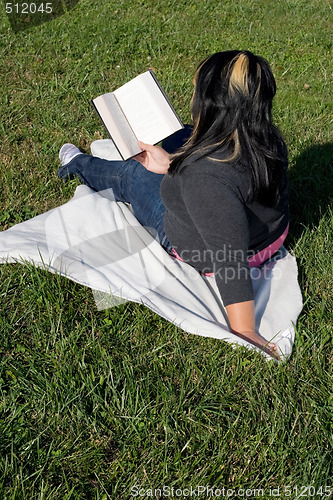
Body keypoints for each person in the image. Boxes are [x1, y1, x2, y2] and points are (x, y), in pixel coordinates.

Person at [58, 50, 289, 360]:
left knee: (132, 175)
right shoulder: (265, 138)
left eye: (196, 90)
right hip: (271, 237)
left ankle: (77, 163)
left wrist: (245, 329)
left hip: (202, 245)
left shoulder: (206, 178)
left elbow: (228, 258)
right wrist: (173, 163)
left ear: (208, 104)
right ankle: (155, 156)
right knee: (178, 136)